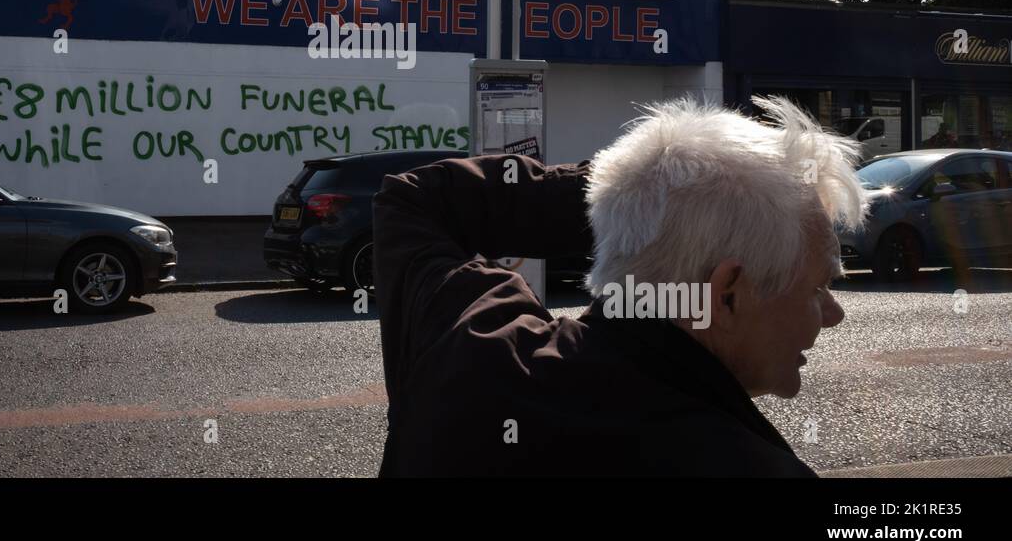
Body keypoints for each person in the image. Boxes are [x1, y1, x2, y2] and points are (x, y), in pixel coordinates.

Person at [372, 95, 869, 477]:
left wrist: (640, 200)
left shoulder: (470, 343)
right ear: (727, 293)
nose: (832, 313)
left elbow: (414, 200)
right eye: (818, 288)